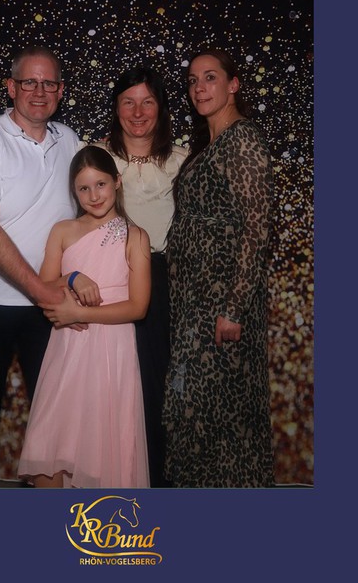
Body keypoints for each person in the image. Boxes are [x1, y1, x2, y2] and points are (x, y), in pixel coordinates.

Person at [0, 45, 85, 488]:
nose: (39, 91)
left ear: (61, 91)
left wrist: (71, 281)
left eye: (49, 83)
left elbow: (87, 217)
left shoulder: (70, 141)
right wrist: (43, 290)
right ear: (11, 87)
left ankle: (52, 517)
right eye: (29, 82)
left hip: (47, 307)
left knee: (54, 420)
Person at [163, 48, 275, 488]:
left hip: (221, 305)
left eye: (210, 77)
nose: (199, 88)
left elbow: (256, 228)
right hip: (195, 302)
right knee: (197, 414)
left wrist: (233, 307)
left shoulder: (242, 140)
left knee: (223, 420)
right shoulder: (208, 145)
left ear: (233, 85)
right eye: (193, 80)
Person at [17, 146, 151, 489]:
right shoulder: (63, 231)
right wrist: (73, 277)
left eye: (101, 184)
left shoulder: (135, 237)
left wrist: (78, 311)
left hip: (112, 351)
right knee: (52, 439)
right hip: (68, 347)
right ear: (74, 192)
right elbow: (43, 286)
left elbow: (138, 307)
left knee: (101, 443)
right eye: (84, 188)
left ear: (117, 182)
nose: (94, 195)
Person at [91, 67, 187, 487]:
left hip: (162, 280)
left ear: (161, 108)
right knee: (110, 383)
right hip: (108, 278)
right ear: (116, 108)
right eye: (128, 102)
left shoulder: (183, 160)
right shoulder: (95, 156)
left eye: (148, 101)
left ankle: (156, 481)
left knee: (155, 382)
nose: (138, 111)